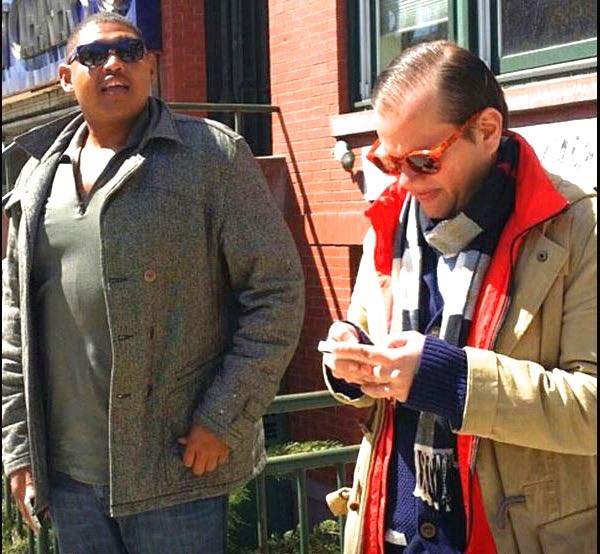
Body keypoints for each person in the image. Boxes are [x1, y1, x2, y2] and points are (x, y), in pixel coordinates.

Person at [2, 12, 304, 553]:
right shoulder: (35, 176)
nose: (113, 63)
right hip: (69, 478)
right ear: (66, 77)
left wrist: (224, 417)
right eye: (93, 55)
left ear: (151, 67)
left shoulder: (212, 156)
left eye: (129, 50)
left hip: (175, 469)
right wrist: (20, 450)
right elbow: (14, 321)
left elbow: (276, 292)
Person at [321, 41, 596, 554]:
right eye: (388, 159)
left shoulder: (579, 228)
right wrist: (350, 363)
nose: (404, 181)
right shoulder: (389, 221)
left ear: (486, 131)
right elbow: (365, 329)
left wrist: (453, 380)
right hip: (387, 532)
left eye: (423, 161)